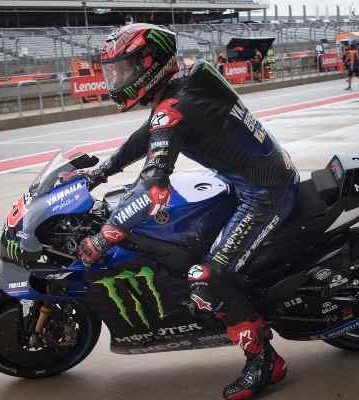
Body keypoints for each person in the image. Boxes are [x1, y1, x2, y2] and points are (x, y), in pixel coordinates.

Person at [74, 23, 296, 400]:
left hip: (263, 192)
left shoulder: (175, 106)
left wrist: (105, 235)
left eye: (123, 70)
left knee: (206, 275)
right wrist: (103, 170)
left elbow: (153, 190)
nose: (116, 80)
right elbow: (150, 132)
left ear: (151, 64)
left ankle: (265, 362)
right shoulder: (188, 78)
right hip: (250, 178)